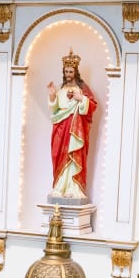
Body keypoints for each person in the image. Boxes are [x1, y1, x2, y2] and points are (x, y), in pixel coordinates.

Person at [47, 50, 97, 200]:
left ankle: (73, 188)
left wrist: (82, 98)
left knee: (74, 155)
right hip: (60, 128)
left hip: (76, 128)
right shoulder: (61, 89)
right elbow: (54, 109)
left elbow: (92, 105)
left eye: (71, 71)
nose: (68, 74)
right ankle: (59, 187)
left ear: (75, 72)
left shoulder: (82, 88)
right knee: (59, 156)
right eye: (66, 71)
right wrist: (52, 95)